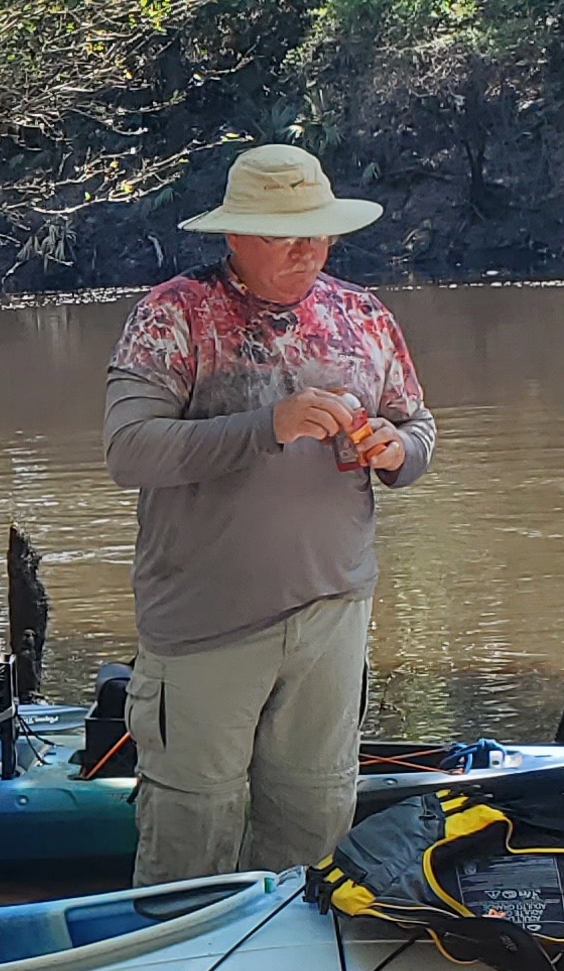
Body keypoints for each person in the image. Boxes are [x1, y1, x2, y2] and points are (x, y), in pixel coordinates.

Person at [102, 143, 436, 884]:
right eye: (285, 232)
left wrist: (394, 448)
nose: (307, 247)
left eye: (318, 229)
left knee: (316, 827)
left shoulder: (364, 315)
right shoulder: (173, 314)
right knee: (192, 838)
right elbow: (129, 452)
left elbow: (419, 432)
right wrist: (268, 426)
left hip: (332, 614)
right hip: (203, 621)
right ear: (235, 235)